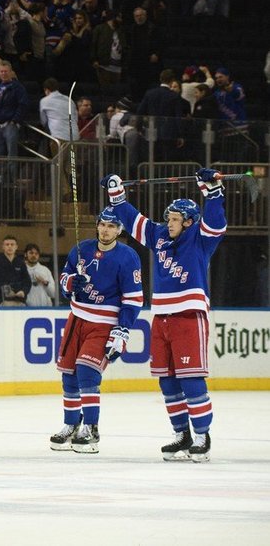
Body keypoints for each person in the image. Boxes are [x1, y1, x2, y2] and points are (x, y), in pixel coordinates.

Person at [101, 169, 225, 462]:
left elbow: (216, 221)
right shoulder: (158, 235)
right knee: (167, 380)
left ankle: (202, 436)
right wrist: (116, 194)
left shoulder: (200, 238)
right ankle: (181, 434)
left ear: (189, 222)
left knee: (191, 378)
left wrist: (213, 190)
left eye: (174, 219)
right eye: (168, 218)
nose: (168, 223)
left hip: (188, 316)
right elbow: (132, 220)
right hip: (162, 317)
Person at [50, 207, 143, 453]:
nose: (105, 230)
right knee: (68, 374)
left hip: (104, 323)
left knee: (87, 372)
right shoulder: (81, 249)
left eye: (112, 226)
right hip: (77, 317)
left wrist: (122, 331)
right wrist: (71, 283)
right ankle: (71, 424)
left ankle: (91, 427)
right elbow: (63, 280)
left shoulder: (128, 257)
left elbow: (133, 299)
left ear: (119, 230)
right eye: (103, 224)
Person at [0, 235, 30, 306]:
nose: (10, 246)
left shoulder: (20, 263)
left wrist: (23, 291)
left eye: (12, 244)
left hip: (19, 301)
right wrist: (5, 290)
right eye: (7, 244)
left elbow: (27, 281)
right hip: (1, 301)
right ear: (3, 247)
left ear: (16, 247)